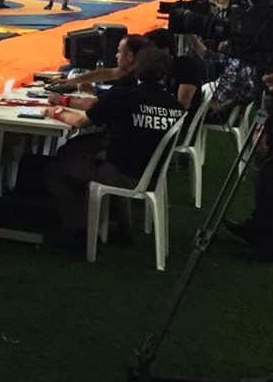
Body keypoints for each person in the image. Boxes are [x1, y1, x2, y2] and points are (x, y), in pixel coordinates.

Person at [42, 47, 185, 250]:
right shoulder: (175, 107)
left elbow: (80, 122)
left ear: (135, 71)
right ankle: (121, 226)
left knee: (56, 170)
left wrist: (54, 112)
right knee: (87, 154)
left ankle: (77, 232)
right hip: (153, 175)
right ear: (165, 74)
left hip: (121, 173)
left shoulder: (124, 96)